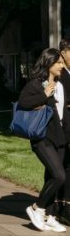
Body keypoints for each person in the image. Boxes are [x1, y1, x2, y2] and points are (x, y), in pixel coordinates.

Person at [18, 48, 67, 232]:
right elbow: (23, 103)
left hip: (59, 137)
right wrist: (44, 95)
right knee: (59, 175)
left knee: (51, 176)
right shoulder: (36, 84)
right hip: (42, 137)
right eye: (59, 63)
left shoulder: (61, 84)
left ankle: (50, 215)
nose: (62, 66)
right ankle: (36, 208)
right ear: (49, 64)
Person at [56, 39, 70, 223]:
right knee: (60, 166)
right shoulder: (61, 75)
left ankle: (65, 204)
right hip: (63, 128)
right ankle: (58, 206)